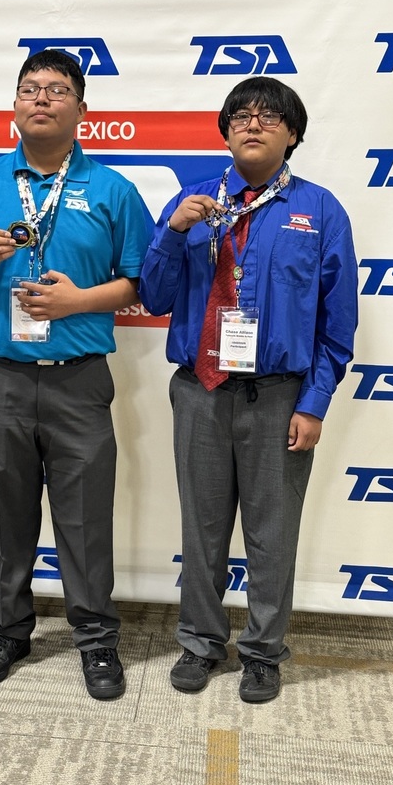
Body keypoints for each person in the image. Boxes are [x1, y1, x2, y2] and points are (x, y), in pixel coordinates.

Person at [0, 50, 150, 700]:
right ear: (15, 105)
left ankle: (95, 637)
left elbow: (143, 282)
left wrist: (76, 302)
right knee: (9, 512)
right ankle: (8, 628)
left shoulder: (114, 189)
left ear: (82, 109)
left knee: (84, 517)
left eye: (57, 90)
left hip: (78, 379)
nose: (41, 99)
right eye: (30, 89)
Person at [139, 76, 358, 703]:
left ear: (293, 134)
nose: (253, 123)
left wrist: (314, 402)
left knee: (272, 531)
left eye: (269, 116)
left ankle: (263, 652)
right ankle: (200, 643)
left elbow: (336, 321)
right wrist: (170, 235)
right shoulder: (193, 202)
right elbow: (154, 297)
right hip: (200, 391)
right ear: (225, 130)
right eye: (240, 115)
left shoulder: (320, 211)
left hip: (281, 396)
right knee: (201, 528)